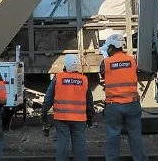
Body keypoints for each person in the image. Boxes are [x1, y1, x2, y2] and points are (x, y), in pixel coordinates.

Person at [100, 33, 147, 161]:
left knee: (113, 137)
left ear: (111, 47)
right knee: (135, 136)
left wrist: (105, 57)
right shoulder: (132, 60)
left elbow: (104, 74)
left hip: (114, 106)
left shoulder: (106, 62)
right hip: (132, 105)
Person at [41, 54, 94, 161]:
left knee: (62, 146)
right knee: (80, 147)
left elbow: (48, 97)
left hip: (62, 118)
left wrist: (44, 113)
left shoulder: (58, 78)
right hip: (79, 119)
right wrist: (90, 117)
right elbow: (89, 101)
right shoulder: (84, 80)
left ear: (65, 66)